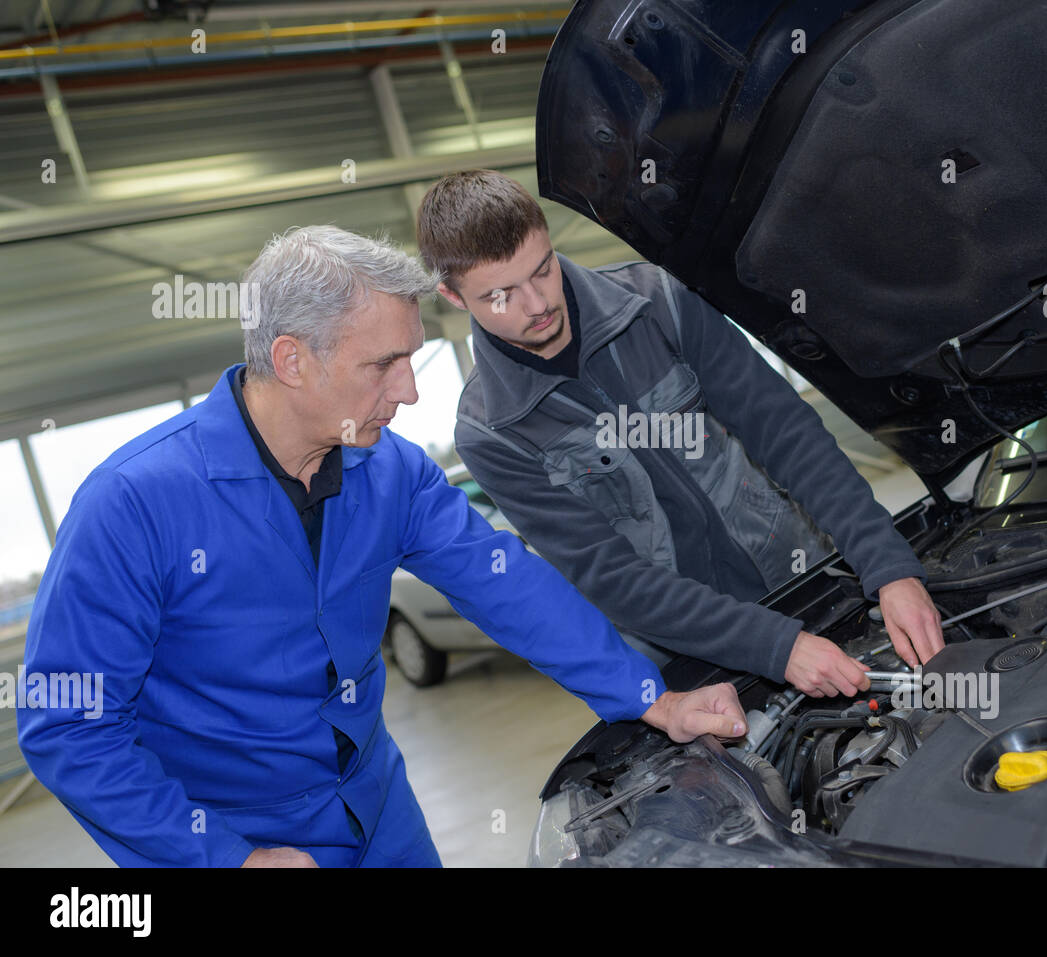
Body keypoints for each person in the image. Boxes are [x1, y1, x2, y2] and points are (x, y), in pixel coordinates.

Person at [17, 225, 745, 868]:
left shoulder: (388, 468)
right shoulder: (133, 506)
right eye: (383, 365)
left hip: (379, 811)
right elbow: (68, 727)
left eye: (413, 359)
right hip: (230, 833)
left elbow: (504, 583)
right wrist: (221, 856)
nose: (410, 392)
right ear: (293, 359)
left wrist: (650, 697)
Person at [419, 170, 946, 700]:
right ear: (453, 296)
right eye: (501, 295)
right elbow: (610, 577)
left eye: (543, 270)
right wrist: (774, 646)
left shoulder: (659, 304)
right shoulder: (492, 433)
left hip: (800, 576)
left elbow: (787, 434)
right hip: (683, 660)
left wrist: (886, 566)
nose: (537, 305)